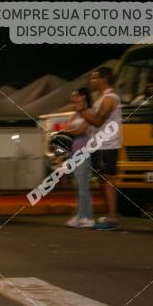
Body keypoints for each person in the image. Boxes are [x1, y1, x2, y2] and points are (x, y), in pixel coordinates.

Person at [82, 67, 123, 230]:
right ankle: (109, 216)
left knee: (107, 181)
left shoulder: (110, 98)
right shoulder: (102, 98)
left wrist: (81, 111)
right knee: (103, 181)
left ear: (103, 79)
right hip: (100, 145)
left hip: (108, 145)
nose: (91, 81)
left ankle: (112, 218)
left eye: (94, 78)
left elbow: (98, 121)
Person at [64, 89, 95, 228]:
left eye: (75, 96)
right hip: (74, 151)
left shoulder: (89, 113)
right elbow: (69, 129)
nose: (73, 98)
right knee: (78, 186)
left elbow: (81, 130)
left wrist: (65, 132)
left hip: (83, 151)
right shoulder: (75, 114)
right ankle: (80, 215)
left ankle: (88, 217)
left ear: (83, 97)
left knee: (83, 186)